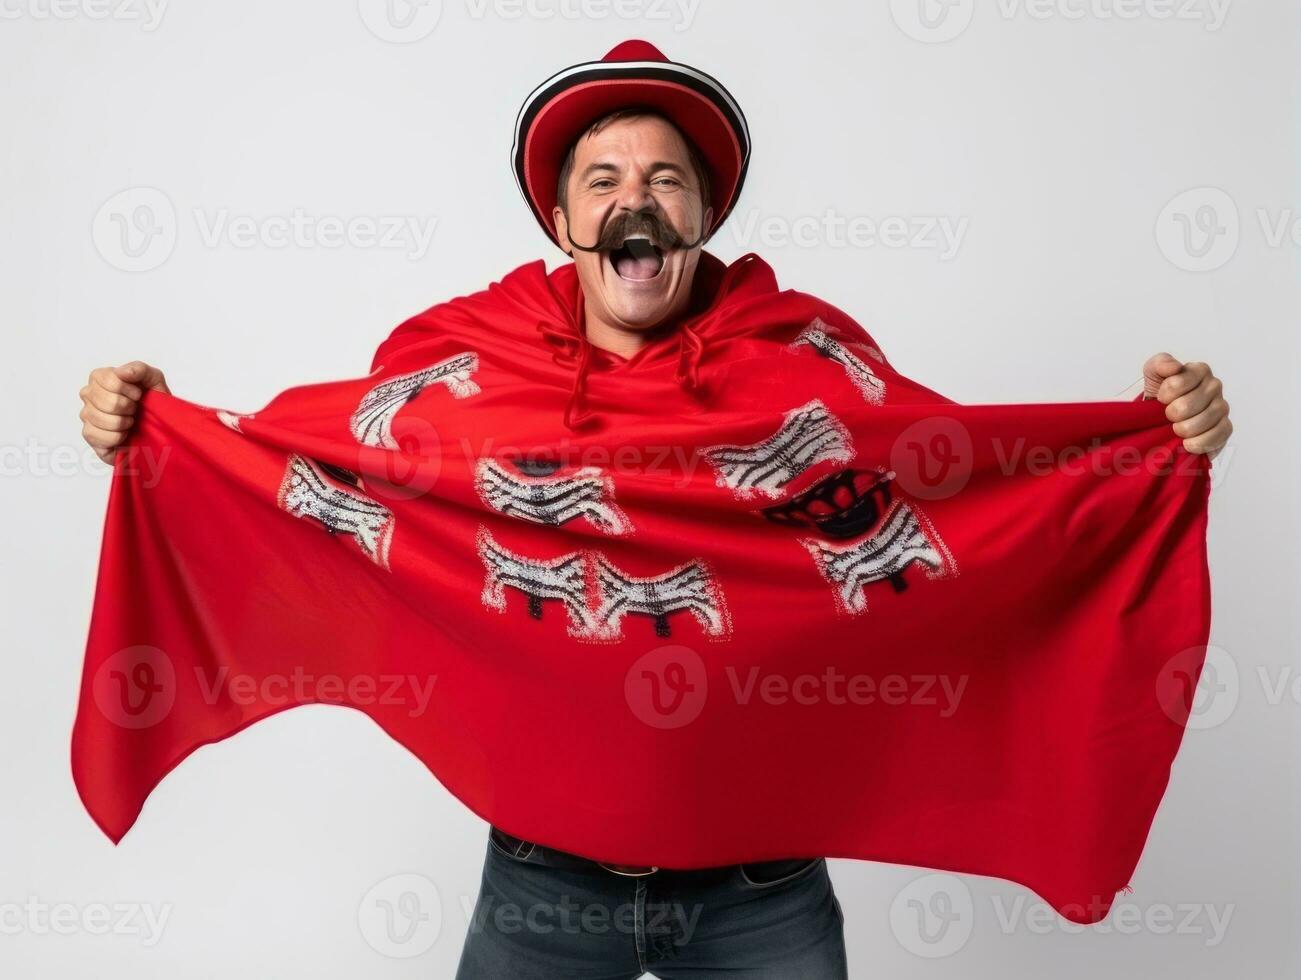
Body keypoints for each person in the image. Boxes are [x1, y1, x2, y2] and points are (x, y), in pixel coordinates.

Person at [76, 40, 1231, 980]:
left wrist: (1148, 445)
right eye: (604, 181)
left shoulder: (807, 359)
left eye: (665, 179)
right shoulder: (460, 365)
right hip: (538, 884)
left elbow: (966, 500)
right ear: (564, 223)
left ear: (704, 212)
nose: (636, 204)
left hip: (762, 892)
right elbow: (318, 476)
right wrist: (165, 433)